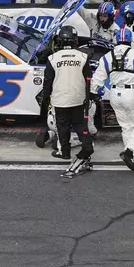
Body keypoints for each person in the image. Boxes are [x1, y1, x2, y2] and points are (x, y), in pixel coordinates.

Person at [90, 27, 134, 171]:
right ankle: (130, 151)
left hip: (114, 95)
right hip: (132, 94)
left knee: (126, 126)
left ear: (116, 40)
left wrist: (93, 92)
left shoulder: (107, 56)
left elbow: (97, 79)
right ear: (130, 39)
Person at [40, 25, 95, 178]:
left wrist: (46, 99)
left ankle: (64, 153)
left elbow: (48, 82)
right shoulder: (83, 57)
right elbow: (88, 79)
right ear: (74, 40)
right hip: (78, 98)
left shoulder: (52, 58)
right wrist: (88, 96)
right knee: (79, 125)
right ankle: (87, 145)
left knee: (62, 125)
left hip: (60, 99)